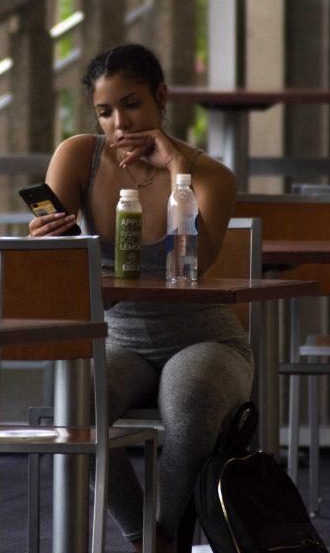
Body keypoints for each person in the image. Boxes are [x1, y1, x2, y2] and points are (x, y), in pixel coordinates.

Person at [29, 43, 243, 553]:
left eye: (131, 104)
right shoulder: (80, 155)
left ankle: (168, 532)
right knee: (73, 404)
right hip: (118, 336)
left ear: (161, 98)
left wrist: (177, 168)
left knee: (190, 399)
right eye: (105, 111)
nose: (119, 122)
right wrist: (45, 236)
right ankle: (145, 537)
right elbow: (55, 259)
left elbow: (197, 263)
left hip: (204, 336)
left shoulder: (211, 175)